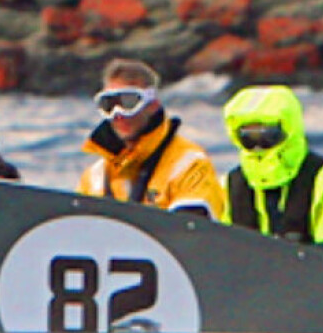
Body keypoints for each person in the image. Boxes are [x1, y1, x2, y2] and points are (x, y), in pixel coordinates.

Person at [221, 84, 323, 263]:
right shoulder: (227, 187)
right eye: (248, 137)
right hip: (246, 286)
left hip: (312, 285)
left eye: (267, 135)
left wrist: (287, 257)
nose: (258, 145)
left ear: (289, 130)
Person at [75, 59, 228, 216]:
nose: (118, 114)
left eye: (129, 102)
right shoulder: (95, 176)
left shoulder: (190, 164)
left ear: (152, 104)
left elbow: (191, 232)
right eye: (108, 104)